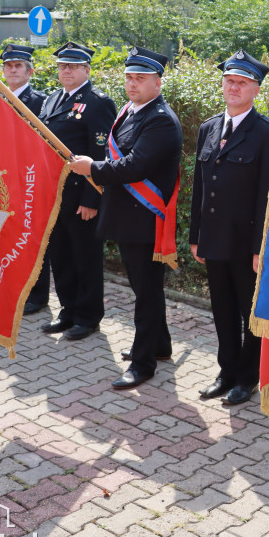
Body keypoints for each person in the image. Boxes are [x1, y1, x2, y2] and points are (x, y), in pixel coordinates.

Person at [70, 47, 182, 390]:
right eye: (129, 78)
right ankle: (159, 346)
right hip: (127, 216)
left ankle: (144, 362)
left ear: (158, 83)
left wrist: (92, 168)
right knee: (143, 288)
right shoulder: (131, 111)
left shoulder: (160, 118)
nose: (132, 84)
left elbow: (135, 166)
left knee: (146, 292)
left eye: (141, 78)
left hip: (145, 219)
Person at [190, 50, 269, 406]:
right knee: (221, 310)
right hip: (214, 237)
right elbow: (200, 186)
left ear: (256, 89)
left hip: (245, 243)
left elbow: (266, 197)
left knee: (248, 312)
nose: (234, 88)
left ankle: (247, 377)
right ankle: (226, 372)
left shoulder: (267, 132)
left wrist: (261, 247)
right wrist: (195, 236)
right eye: (229, 81)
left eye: (242, 83)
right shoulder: (210, 127)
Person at [38, 42, 114, 340]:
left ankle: (88, 316)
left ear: (87, 69)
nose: (66, 70)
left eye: (72, 66)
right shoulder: (52, 99)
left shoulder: (98, 103)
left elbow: (101, 153)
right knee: (61, 257)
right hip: (54, 195)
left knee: (86, 258)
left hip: (81, 195)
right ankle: (68, 311)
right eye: (62, 66)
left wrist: (91, 199)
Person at [0, 43, 50, 314]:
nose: (13, 70)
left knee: (31, 237)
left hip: (28, 179)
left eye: (18, 66)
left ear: (29, 72)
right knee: (7, 234)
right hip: (1, 179)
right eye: (8, 66)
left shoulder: (40, 101)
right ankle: (14, 287)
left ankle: (37, 295)